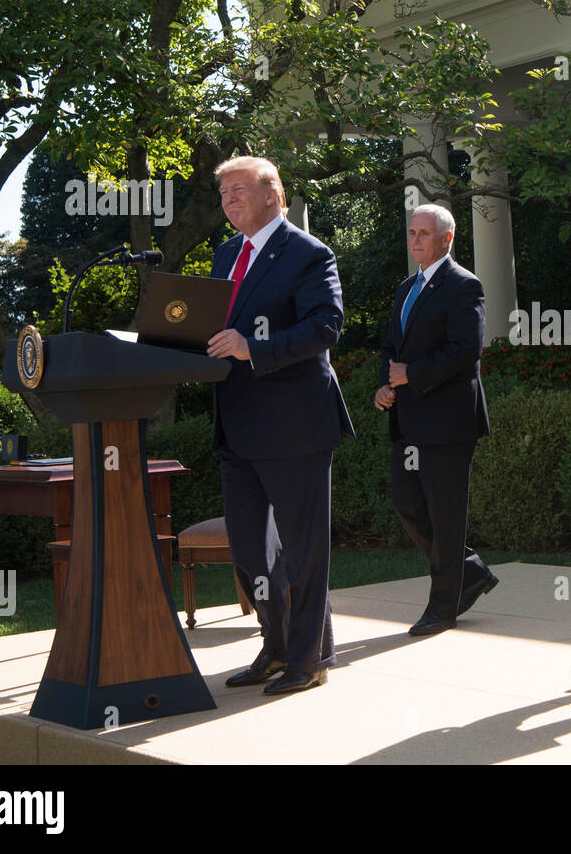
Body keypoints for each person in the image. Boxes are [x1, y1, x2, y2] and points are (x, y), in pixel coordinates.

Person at [207, 156, 353, 694]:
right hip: (238, 424)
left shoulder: (308, 253)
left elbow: (325, 326)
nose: (230, 200)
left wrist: (255, 347)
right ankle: (276, 643)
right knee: (249, 550)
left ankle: (308, 659)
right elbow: (212, 325)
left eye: (239, 190)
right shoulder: (225, 254)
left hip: (295, 424)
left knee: (302, 550)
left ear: (273, 193)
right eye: (224, 193)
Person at [375, 204, 497, 637]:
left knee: (446, 516)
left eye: (424, 233)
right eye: (411, 232)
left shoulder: (464, 285)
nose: (415, 241)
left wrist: (414, 373)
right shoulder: (407, 287)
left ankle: (443, 607)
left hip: (449, 421)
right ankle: (471, 572)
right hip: (408, 419)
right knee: (408, 504)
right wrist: (385, 383)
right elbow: (392, 344)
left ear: (446, 239)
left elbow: (466, 349)